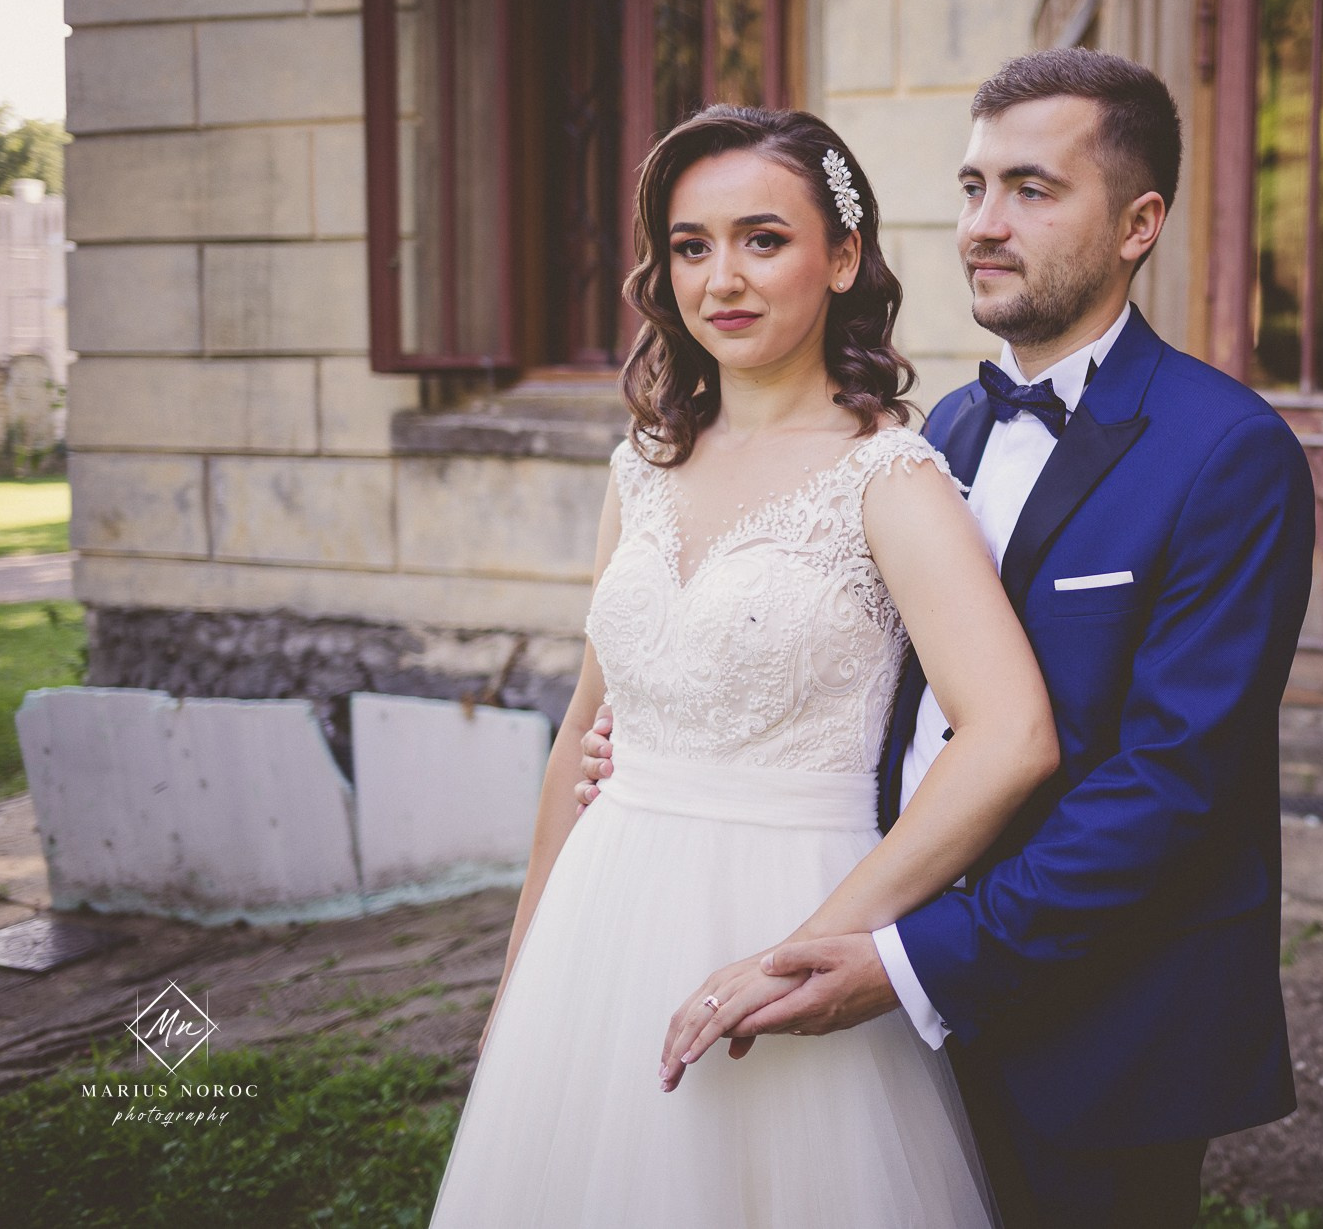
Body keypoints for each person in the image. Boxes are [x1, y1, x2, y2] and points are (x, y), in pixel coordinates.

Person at [579, 49, 1318, 1229]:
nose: (984, 223)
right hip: (889, 969)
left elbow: (1174, 784)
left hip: (1100, 1016)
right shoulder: (941, 434)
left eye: (1031, 189)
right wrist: (681, 729)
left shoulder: (1226, 454)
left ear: (1138, 223)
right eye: (973, 188)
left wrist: (912, 960)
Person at [428, 105, 1061, 1228]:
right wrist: (521, 977)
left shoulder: (889, 478)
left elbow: (1010, 735)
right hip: (599, 922)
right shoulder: (640, 467)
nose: (722, 276)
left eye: (762, 239)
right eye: (690, 245)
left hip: (783, 899)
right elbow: (585, 729)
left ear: (843, 257)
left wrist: (813, 948)